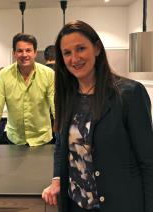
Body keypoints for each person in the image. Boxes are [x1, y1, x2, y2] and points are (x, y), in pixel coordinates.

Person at [42, 20, 153, 212]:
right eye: (67, 53)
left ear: (97, 49)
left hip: (119, 204)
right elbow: (61, 145)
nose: (74, 58)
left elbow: (148, 162)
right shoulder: (66, 95)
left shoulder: (129, 94)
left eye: (81, 49)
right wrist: (56, 180)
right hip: (76, 204)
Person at [0, 33, 55, 148]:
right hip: (15, 140)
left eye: (28, 50)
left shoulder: (48, 74)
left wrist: (64, 136)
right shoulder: (4, 75)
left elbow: (56, 105)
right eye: (20, 51)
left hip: (42, 139)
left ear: (35, 53)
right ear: (14, 53)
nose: (24, 54)